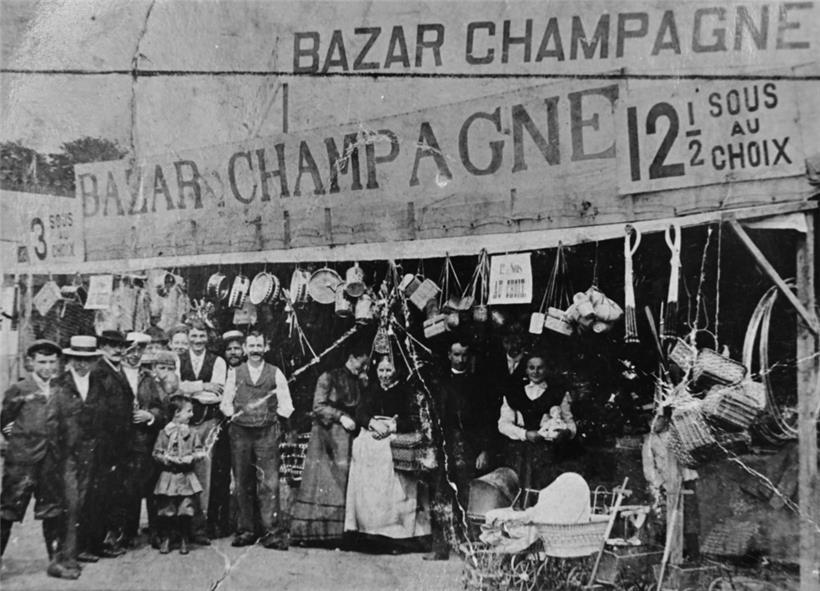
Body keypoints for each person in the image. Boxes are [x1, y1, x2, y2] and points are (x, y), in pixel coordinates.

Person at [1, 340, 80, 579]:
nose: (47, 367)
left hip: (51, 462)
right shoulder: (21, 389)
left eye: (52, 362)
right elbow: (4, 420)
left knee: (52, 510)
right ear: (31, 363)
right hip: (22, 463)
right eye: (42, 362)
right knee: (7, 511)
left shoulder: (62, 389)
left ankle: (55, 562)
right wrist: (18, 441)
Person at [344, 356, 430, 548]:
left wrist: (392, 426)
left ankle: (394, 532)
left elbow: (414, 419)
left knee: (387, 460)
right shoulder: (371, 389)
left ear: (396, 371)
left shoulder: (405, 391)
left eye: (388, 371)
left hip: (394, 434)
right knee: (361, 447)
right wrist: (372, 423)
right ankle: (369, 528)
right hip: (373, 431)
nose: (384, 375)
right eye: (381, 370)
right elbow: (361, 412)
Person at [220, 330, 294, 549]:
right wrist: (233, 414)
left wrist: (271, 417)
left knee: (269, 483)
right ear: (245, 349)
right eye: (251, 346)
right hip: (240, 433)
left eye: (258, 346)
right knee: (242, 481)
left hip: (266, 433)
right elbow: (226, 402)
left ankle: (272, 532)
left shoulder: (275, 372)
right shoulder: (235, 372)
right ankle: (246, 530)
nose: (254, 350)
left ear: (265, 347)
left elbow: (286, 405)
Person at [290, 343, 370, 544]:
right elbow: (318, 406)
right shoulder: (328, 377)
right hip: (326, 438)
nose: (361, 370)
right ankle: (315, 534)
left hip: (348, 439)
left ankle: (341, 534)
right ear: (351, 357)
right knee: (325, 484)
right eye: (360, 365)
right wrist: (340, 416)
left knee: (344, 486)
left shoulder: (358, 380)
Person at [426, 338, 496, 560]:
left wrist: (485, 450)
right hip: (443, 445)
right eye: (456, 354)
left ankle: (472, 547)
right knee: (440, 495)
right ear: (449, 355)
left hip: (468, 447)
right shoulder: (438, 382)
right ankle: (440, 547)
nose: (461, 359)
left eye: (465, 355)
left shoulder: (478, 384)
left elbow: (487, 420)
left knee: (468, 496)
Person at [51, 336, 103, 568]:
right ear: (70, 359)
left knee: (85, 500)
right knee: (70, 502)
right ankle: (66, 555)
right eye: (77, 359)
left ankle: (80, 549)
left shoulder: (99, 383)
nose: (82, 364)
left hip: (91, 451)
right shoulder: (59, 384)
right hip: (66, 453)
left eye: (87, 359)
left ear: (94, 361)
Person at [176, 319, 227, 545]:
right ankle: (179, 528)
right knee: (179, 472)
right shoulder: (178, 358)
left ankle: (199, 527)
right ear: (188, 337)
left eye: (201, 336)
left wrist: (190, 387)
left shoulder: (217, 361)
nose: (197, 341)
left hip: (207, 422)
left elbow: (216, 394)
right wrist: (202, 385)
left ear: (208, 337)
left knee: (203, 476)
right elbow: (174, 387)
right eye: (194, 336)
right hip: (182, 424)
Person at [85, 329, 134, 558]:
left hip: (120, 444)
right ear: (102, 346)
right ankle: (94, 543)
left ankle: (105, 539)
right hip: (105, 445)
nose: (117, 350)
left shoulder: (118, 369)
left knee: (112, 494)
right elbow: (98, 413)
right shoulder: (98, 372)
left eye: (120, 345)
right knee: (99, 495)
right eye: (112, 345)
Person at [497, 352, 576, 490]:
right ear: (526, 369)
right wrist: (525, 434)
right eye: (531, 367)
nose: (536, 372)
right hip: (519, 453)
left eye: (540, 367)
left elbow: (569, 422)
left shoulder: (558, 392)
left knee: (544, 490)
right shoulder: (514, 392)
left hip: (547, 453)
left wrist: (566, 433)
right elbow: (503, 424)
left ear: (547, 369)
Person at [122, 332, 165, 548]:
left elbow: (161, 407)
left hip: (146, 439)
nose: (135, 354)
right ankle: (128, 532)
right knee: (128, 489)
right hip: (122, 440)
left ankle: (156, 531)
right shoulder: (116, 375)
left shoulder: (148, 378)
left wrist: (151, 416)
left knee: (151, 486)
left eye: (139, 350)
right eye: (131, 350)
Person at [152, 396, 206, 555]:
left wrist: (194, 457)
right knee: (167, 509)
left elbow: (199, 451)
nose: (191, 415)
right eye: (188, 411)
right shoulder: (164, 433)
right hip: (168, 477)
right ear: (176, 413)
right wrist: (166, 459)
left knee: (185, 508)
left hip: (186, 476)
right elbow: (156, 452)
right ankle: (167, 538)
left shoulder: (192, 433)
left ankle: (184, 538)